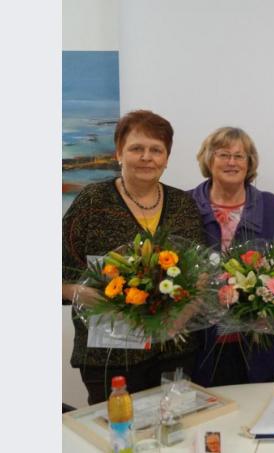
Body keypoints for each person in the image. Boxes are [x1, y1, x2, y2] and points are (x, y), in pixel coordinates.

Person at [62, 110, 205, 404]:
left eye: (156, 150)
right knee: (117, 440)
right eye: (136, 148)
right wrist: (81, 293)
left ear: (166, 158)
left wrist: (181, 317)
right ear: (118, 153)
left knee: (173, 437)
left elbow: (200, 274)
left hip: (174, 352)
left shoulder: (183, 204)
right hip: (109, 358)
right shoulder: (92, 201)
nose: (146, 157)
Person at [189, 127, 274, 386]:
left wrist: (272, 308)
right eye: (223, 154)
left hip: (258, 341)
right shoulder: (186, 205)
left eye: (240, 156)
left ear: (250, 163)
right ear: (208, 159)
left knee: (256, 415)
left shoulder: (270, 206)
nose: (231, 162)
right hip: (200, 342)